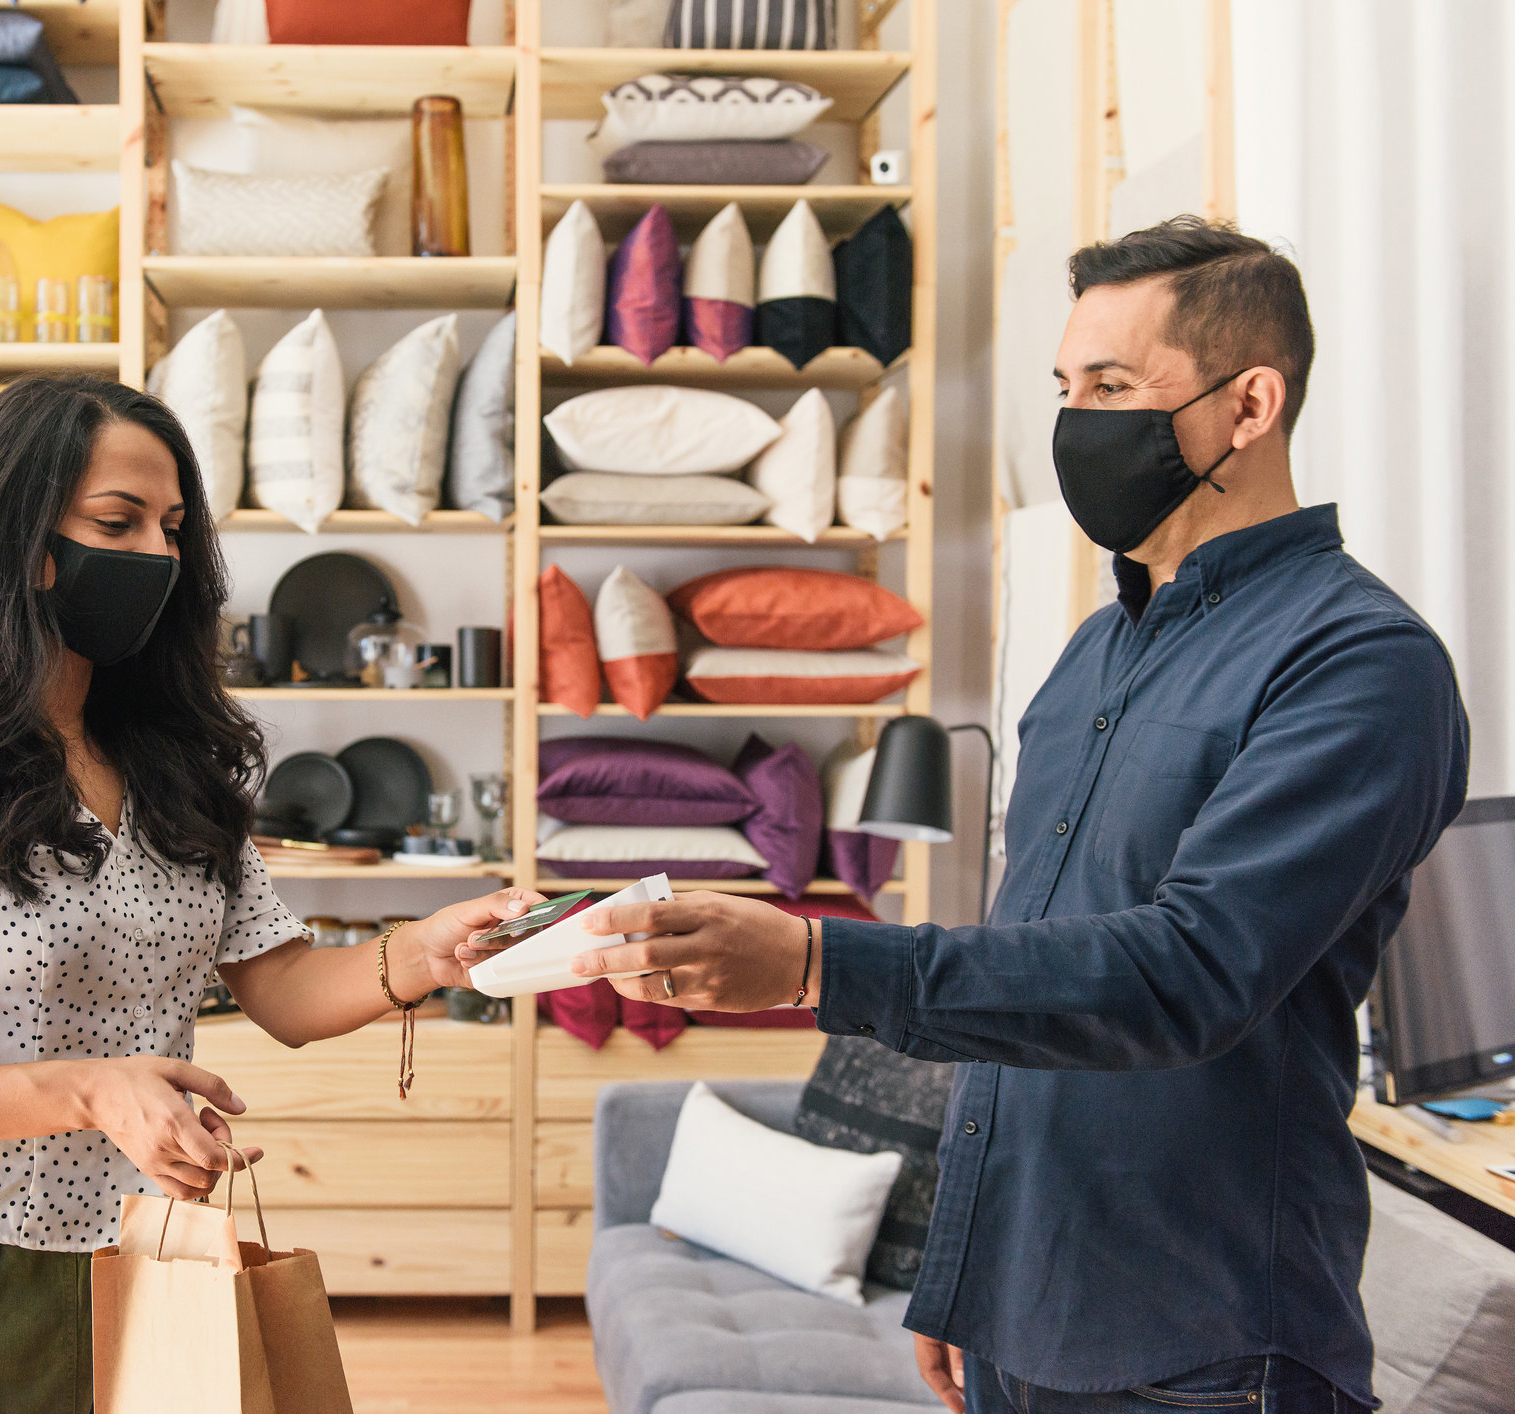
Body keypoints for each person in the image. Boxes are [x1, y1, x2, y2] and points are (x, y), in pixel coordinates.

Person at [553, 218, 1469, 1414]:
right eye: (1063, 384)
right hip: (1019, 1309)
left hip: (1203, 1343)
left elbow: (1182, 971)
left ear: (1250, 406)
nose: (1074, 419)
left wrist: (818, 958)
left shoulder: (1359, 662)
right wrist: (960, 1261)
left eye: (1111, 385)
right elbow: (1027, 962)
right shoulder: (1096, 649)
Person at [0, 374, 543, 1413]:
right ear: (21, 540)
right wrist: (89, 1088)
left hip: (149, 1258)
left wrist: (423, 955)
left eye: (173, 527)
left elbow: (285, 985)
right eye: (117, 522)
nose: (159, 558)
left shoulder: (174, 764)